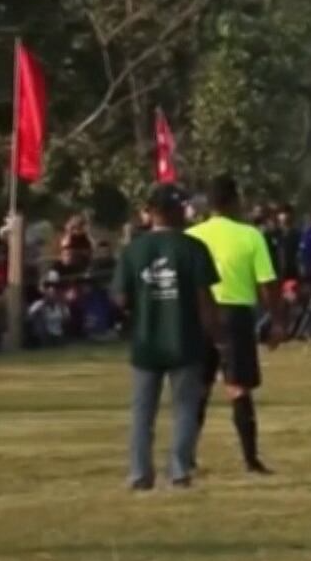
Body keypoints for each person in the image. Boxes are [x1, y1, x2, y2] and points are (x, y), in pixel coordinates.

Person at [120, 183, 221, 491]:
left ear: (151, 213)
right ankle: (178, 470)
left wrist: (143, 307)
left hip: (146, 341)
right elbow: (205, 299)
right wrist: (213, 334)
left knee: (142, 413)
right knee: (185, 409)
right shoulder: (193, 248)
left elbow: (120, 299)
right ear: (178, 212)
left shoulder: (134, 250)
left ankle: (139, 473)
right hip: (185, 340)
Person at [188, 175, 281, 476]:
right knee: (238, 388)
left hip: (200, 315)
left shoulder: (192, 236)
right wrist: (276, 321)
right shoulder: (250, 235)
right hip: (235, 314)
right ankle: (250, 459)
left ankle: (185, 456)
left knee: (198, 388)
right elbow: (267, 283)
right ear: (234, 201)